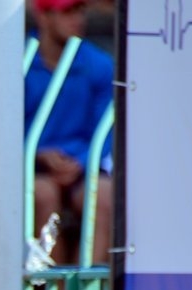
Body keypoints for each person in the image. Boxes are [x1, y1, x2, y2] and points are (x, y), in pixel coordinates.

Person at [26, 0, 114, 265]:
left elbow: (105, 131)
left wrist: (80, 161)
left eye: (80, 10)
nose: (77, 19)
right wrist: (39, 155)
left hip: (81, 166)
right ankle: (54, 287)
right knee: (43, 194)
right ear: (43, 16)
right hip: (28, 166)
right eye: (66, 11)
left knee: (104, 195)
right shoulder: (18, 62)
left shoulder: (100, 64)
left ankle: (82, 288)